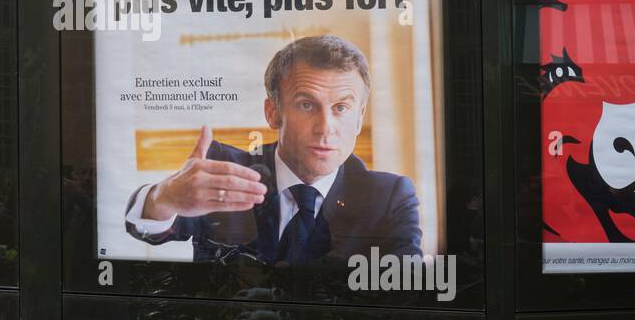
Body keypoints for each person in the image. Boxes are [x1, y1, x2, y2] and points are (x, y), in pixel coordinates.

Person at [124, 34, 421, 265]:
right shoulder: (228, 168)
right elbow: (147, 229)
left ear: (359, 118)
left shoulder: (389, 196)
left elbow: (406, 288)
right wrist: (164, 197)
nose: (325, 127)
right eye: (307, 105)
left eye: (341, 107)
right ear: (273, 113)